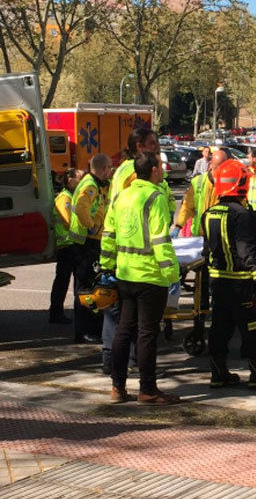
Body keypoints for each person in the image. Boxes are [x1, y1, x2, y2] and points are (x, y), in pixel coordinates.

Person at [100, 151, 181, 404]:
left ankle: (117, 387)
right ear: (154, 170)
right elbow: (160, 240)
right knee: (147, 333)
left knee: (124, 330)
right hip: (150, 276)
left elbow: (109, 234)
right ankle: (147, 389)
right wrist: (172, 273)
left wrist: (107, 265)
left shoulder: (121, 196)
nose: (163, 171)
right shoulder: (155, 197)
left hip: (125, 274)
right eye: (161, 167)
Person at [201, 159, 256, 389]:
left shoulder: (208, 213)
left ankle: (218, 374)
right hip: (242, 284)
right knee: (251, 329)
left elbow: (207, 250)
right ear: (242, 183)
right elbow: (246, 250)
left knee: (220, 328)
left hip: (218, 282)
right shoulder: (242, 214)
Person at [71, 154, 113, 344]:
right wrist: (92, 226)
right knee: (85, 288)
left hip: (89, 243)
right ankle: (83, 331)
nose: (110, 172)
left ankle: (90, 328)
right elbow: (81, 208)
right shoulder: (90, 185)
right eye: (109, 168)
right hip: (86, 244)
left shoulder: (96, 184)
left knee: (90, 286)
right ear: (103, 169)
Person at [49, 168, 85, 325]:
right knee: (63, 282)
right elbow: (70, 221)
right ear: (70, 180)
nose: (82, 181)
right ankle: (56, 313)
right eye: (80, 178)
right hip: (67, 246)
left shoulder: (71, 196)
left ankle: (61, 312)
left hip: (71, 245)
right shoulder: (64, 198)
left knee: (68, 281)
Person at [176, 147, 227, 236]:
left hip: (219, 235)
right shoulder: (197, 181)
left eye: (222, 168)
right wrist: (178, 226)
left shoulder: (229, 184)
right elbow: (187, 207)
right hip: (199, 233)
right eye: (217, 168)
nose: (219, 172)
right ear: (210, 165)